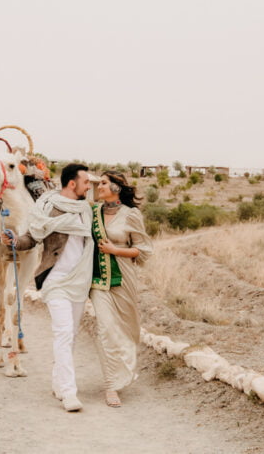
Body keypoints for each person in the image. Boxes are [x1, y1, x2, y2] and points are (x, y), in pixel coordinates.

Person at [2, 163, 93, 412]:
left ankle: (58, 382)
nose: (89, 186)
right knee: (63, 333)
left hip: (80, 281)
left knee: (71, 335)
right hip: (55, 279)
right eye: (86, 182)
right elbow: (32, 237)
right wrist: (14, 240)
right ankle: (68, 392)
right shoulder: (48, 207)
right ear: (72, 184)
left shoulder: (87, 210)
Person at [90, 170, 153, 407]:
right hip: (98, 280)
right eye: (99, 183)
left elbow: (143, 250)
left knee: (126, 329)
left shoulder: (131, 215)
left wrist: (115, 250)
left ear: (117, 187)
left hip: (124, 278)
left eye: (104, 183)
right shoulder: (92, 212)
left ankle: (123, 373)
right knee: (105, 329)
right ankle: (110, 386)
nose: (100, 187)